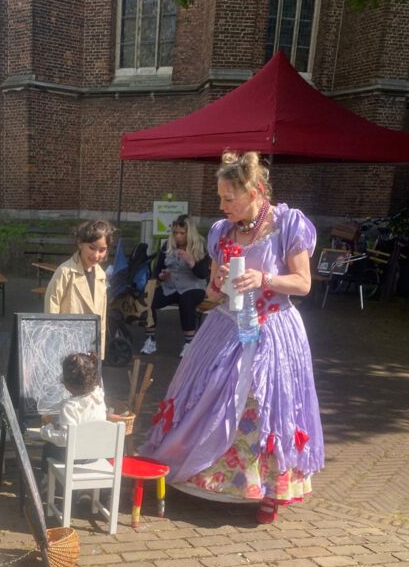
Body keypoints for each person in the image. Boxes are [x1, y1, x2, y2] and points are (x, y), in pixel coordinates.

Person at [139, 151, 324, 525]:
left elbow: (303, 283)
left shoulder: (288, 225)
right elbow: (211, 292)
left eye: (229, 198)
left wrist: (264, 278)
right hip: (227, 324)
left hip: (273, 328)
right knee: (208, 395)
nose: (222, 206)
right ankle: (205, 475)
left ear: (254, 192)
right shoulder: (222, 232)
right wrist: (218, 283)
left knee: (263, 405)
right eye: (220, 198)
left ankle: (269, 490)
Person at [141, 214, 210, 359]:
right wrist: (162, 276)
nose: (178, 236)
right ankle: (150, 340)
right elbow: (158, 269)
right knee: (148, 299)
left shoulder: (200, 246)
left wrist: (191, 261)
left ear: (189, 233)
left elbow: (203, 274)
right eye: (175, 233)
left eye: (182, 233)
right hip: (171, 286)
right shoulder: (168, 245)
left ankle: (189, 344)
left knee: (186, 302)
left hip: (193, 286)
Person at [44, 220, 115, 358]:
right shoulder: (65, 272)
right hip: (66, 348)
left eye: (102, 250)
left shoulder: (101, 275)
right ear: (80, 243)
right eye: (92, 248)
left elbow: (101, 320)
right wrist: (55, 347)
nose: (96, 255)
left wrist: (99, 354)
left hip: (90, 349)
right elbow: (50, 311)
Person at [38, 351, 107, 459]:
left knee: (49, 447)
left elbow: (65, 439)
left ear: (66, 384)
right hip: (95, 455)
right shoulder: (99, 396)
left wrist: (46, 430)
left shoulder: (70, 407)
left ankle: (45, 471)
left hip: (75, 457)